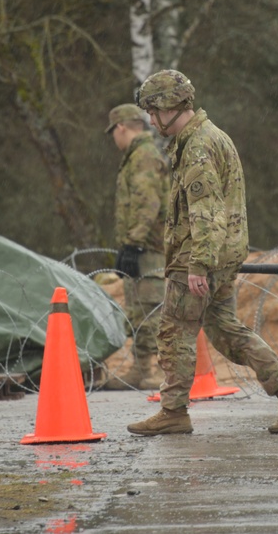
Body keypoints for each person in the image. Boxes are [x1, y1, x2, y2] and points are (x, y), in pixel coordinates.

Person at [127, 70, 278, 436]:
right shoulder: (208, 137)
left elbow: (206, 210)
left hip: (199, 254)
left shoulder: (197, 146)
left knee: (175, 331)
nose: (149, 119)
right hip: (220, 253)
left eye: (152, 110)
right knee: (225, 329)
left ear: (169, 106)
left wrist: (198, 264)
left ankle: (174, 411)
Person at [102, 103, 169, 390]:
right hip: (144, 245)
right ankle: (141, 369)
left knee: (148, 308)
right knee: (139, 308)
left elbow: (147, 203)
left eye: (113, 133)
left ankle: (149, 371)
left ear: (121, 128)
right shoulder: (139, 156)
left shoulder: (142, 157)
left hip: (148, 248)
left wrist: (133, 243)